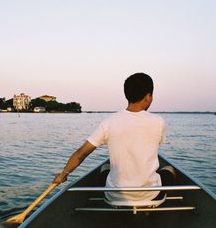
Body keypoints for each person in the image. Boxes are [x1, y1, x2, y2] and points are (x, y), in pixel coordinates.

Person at [53, 72, 175, 203]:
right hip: (150, 195)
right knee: (170, 170)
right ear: (148, 97)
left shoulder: (109, 122)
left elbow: (80, 154)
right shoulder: (159, 122)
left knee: (105, 168)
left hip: (115, 196)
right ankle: (147, 211)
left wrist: (64, 174)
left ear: (127, 95)